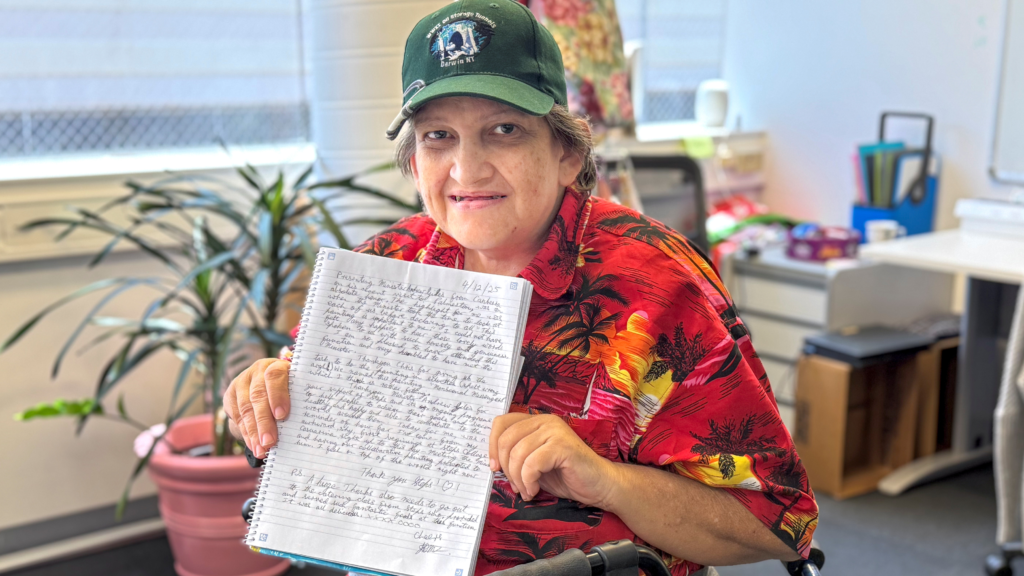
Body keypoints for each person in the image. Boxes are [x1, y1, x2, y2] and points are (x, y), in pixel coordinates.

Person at [224, 1, 818, 574]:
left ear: (567, 153)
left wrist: (607, 481)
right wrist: (267, 401)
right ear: (413, 162)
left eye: (504, 130)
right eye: (438, 136)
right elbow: (300, 447)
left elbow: (775, 523)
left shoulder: (658, 288)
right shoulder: (381, 268)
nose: (466, 169)